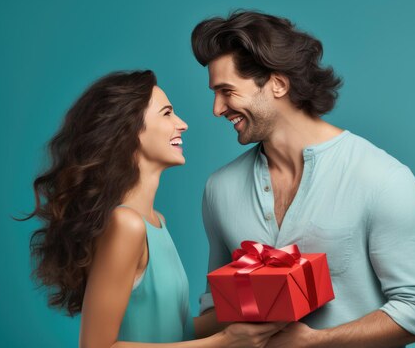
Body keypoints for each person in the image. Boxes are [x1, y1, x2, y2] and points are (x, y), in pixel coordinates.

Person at [191, 11, 415, 348]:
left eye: (227, 91)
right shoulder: (219, 189)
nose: (216, 109)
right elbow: (215, 311)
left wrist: (315, 341)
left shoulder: (383, 180)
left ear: (278, 84)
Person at [21, 70, 285, 347]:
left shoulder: (156, 221)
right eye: (167, 113)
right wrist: (224, 343)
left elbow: (172, 333)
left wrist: (251, 306)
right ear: (129, 129)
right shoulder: (126, 224)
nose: (182, 124)